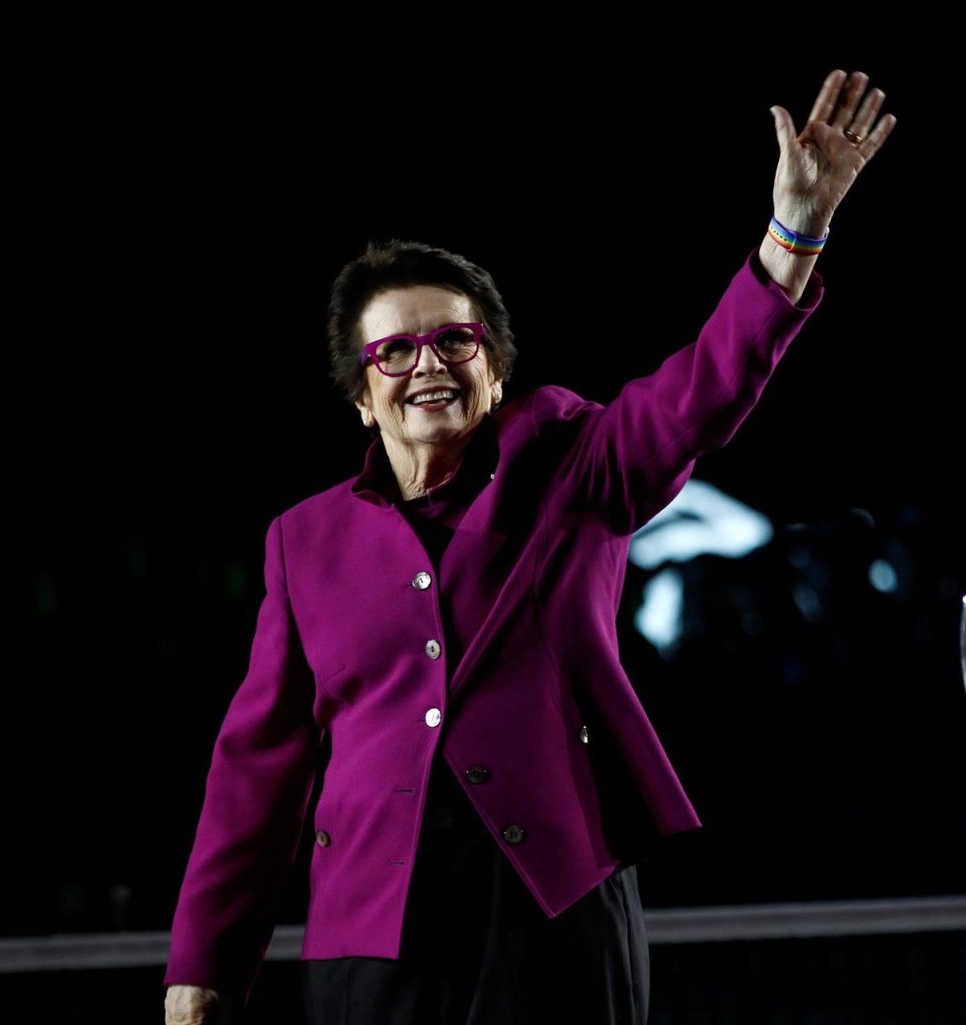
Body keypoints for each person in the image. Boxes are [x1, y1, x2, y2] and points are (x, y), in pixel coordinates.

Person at [163, 68, 895, 1025]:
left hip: (553, 910)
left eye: (455, 341)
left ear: (495, 367)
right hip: (371, 936)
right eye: (395, 351)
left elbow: (698, 396)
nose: (428, 363)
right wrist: (202, 969)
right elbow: (256, 767)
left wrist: (792, 236)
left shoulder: (571, 458)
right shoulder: (304, 540)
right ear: (359, 393)